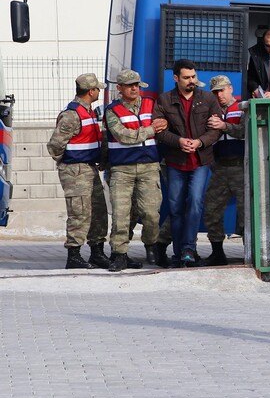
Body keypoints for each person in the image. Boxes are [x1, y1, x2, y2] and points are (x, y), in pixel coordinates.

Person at [153, 59, 221, 267]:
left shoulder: (208, 98)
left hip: (201, 161)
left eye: (194, 77)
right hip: (175, 161)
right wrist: (179, 141)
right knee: (175, 207)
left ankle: (189, 249)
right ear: (176, 78)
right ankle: (178, 252)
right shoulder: (164, 100)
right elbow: (159, 131)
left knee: (194, 203)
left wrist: (200, 142)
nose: (192, 81)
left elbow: (216, 129)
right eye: (186, 78)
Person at [102, 69, 165, 271]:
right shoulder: (112, 111)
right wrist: (151, 130)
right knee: (121, 214)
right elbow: (124, 136)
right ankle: (119, 254)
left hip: (149, 167)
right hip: (122, 170)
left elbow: (164, 124)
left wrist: (157, 127)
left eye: (137, 85)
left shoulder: (151, 104)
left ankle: (152, 246)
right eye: (130, 85)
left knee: (151, 213)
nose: (134, 88)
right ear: (119, 88)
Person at [47, 73, 111, 270]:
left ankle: (97, 253)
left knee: (98, 212)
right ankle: (73, 255)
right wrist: (68, 165)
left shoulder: (89, 111)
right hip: (76, 170)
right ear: (91, 91)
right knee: (79, 212)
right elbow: (55, 146)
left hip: (90, 168)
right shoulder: (71, 115)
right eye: (97, 88)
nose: (100, 91)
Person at [202, 75, 245, 267]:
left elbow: (246, 131)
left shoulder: (243, 108)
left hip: (240, 167)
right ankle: (217, 252)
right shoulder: (212, 111)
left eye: (222, 90)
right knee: (212, 210)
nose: (219, 95)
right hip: (219, 167)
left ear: (230, 89)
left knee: (246, 212)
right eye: (215, 92)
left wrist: (224, 126)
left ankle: (250, 252)